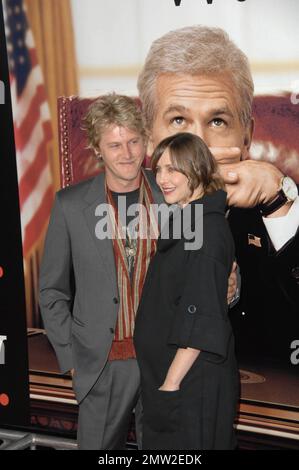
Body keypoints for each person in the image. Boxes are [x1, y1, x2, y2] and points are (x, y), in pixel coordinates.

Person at [38, 92, 237, 450]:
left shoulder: (174, 191)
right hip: (101, 364)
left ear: (146, 140)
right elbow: (51, 290)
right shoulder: (69, 205)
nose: (127, 153)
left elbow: (212, 265)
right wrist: (71, 356)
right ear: (97, 149)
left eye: (133, 141)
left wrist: (232, 286)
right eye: (114, 145)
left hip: (164, 361)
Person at [137, 25, 299, 367]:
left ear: (247, 137)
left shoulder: (276, 209)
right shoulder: (103, 213)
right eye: (178, 119)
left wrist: (280, 205)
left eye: (218, 122)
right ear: (149, 135)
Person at [134, 132, 238, 450]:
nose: (163, 179)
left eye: (174, 170)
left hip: (190, 387)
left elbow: (201, 321)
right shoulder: (188, 221)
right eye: (159, 169)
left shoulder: (205, 230)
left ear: (197, 170)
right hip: (173, 382)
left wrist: (169, 385)